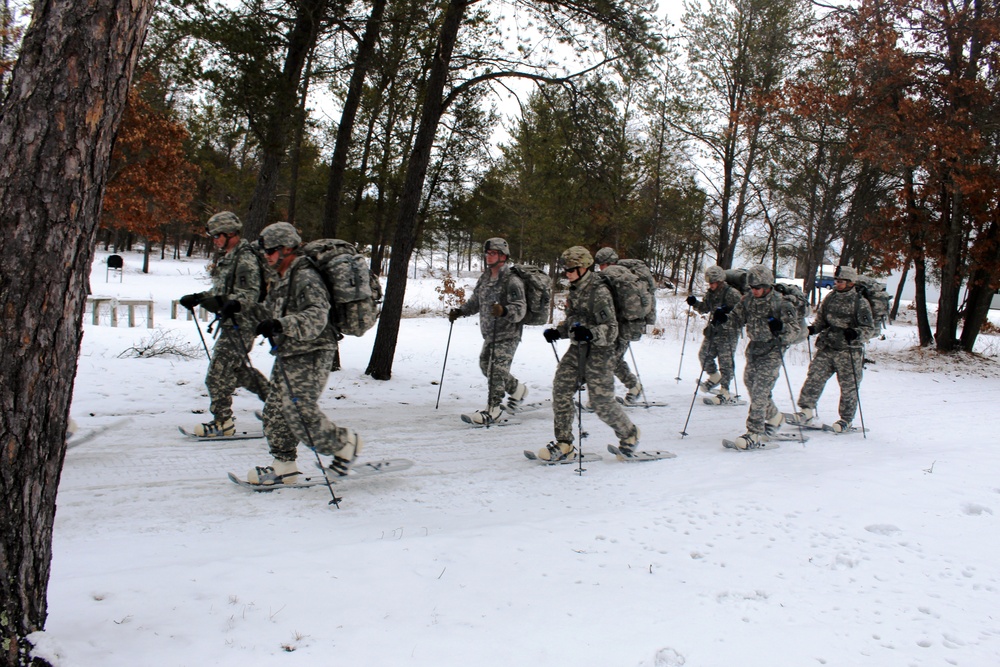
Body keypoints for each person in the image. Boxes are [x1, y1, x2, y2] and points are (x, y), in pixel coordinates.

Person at [232, 222, 362, 484]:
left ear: (286, 249)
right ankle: (284, 465)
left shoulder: (305, 276)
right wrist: (234, 308)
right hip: (289, 350)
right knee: (275, 410)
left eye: (270, 251)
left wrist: (282, 324)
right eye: (265, 252)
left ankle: (343, 443)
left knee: (298, 411)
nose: (266, 257)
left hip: (313, 350)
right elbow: (270, 310)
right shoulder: (283, 276)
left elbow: (316, 316)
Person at [538, 246, 640, 460]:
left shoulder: (599, 291)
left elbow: (611, 330)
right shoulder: (575, 289)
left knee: (601, 401)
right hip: (578, 349)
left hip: (601, 351)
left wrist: (590, 333)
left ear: (584, 267)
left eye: (572, 269)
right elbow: (575, 320)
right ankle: (565, 444)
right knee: (561, 390)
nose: (567, 273)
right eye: (566, 269)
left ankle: (629, 433)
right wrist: (559, 331)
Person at [179, 211, 270, 437]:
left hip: (243, 323)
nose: (215, 240)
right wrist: (198, 297)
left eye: (218, 235)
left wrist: (231, 303)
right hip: (231, 322)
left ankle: (223, 423)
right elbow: (221, 291)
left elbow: (249, 294)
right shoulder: (230, 257)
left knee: (216, 374)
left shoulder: (245, 258)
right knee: (238, 372)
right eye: (212, 236)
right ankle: (280, 406)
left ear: (231, 233)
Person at [448, 238, 529, 425]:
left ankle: (493, 409)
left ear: (503, 256)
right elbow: (475, 301)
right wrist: (460, 311)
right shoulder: (485, 278)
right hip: (490, 334)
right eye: (488, 253)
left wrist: (505, 310)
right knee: (486, 366)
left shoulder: (512, 280)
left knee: (496, 371)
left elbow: (520, 309)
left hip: (508, 333)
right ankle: (518, 390)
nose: (489, 256)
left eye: (493, 253)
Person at [725, 265, 803, 449]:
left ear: (768, 286)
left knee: (760, 391)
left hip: (773, 350)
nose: (754, 291)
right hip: (754, 348)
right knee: (751, 385)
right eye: (752, 287)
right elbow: (736, 318)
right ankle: (775, 417)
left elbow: (795, 331)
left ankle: (755, 432)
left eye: (758, 287)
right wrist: (723, 317)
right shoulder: (748, 300)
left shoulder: (782, 303)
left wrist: (781, 328)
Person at [789, 266, 874, 432]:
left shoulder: (860, 302)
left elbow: (869, 328)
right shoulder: (831, 297)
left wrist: (855, 333)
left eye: (841, 281)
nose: (837, 284)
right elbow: (822, 320)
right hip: (828, 346)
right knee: (814, 377)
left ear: (850, 282)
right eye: (836, 281)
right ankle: (806, 411)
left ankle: (846, 419)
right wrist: (813, 329)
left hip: (848, 351)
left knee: (849, 386)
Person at [593, 247, 647, 405]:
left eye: (601, 264)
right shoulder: (623, 276)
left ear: (607, 263)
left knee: (610, 359)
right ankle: (635, 387)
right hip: (622, 325)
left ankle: (602, 398)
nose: (600, 268)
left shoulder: (615, 276)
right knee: (615, 359)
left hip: (623, 326)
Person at [686, 265, 743, 405]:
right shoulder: (711, 293)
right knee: (704, 355)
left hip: (729, 333)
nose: (710, 285)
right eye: (709, 283)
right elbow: (705, 308)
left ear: (720, 281)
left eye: (712, 283)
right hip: (715, 330)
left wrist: (726, 315)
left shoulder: (732, 294)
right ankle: (714, 377)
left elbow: (741, 315)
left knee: (726, 362)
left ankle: (725, 391)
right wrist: (695, 303)